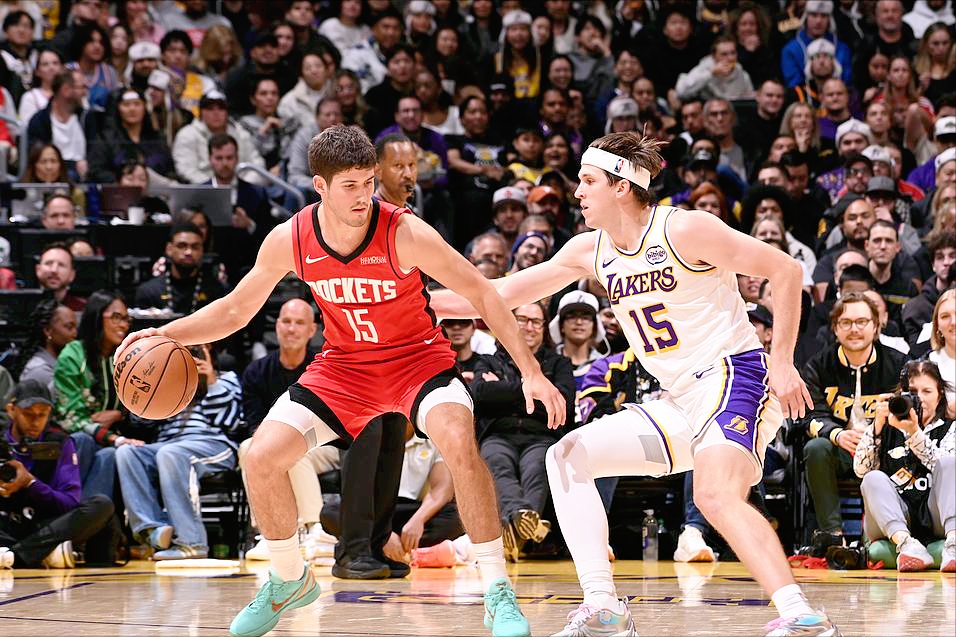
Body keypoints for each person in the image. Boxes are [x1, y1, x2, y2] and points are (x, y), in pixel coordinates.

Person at [119, 125, 565, 637]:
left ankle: (497, 590)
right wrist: (167, 333)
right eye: (349, 185)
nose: (363, 195)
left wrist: (531, 371)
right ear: (320, 186)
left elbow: (484, 294)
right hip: (345, 368)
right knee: (260, 457)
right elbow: (237, 310)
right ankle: (289, 579)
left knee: (460, 442)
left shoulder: (404, 232)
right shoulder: (292, 238)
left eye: (368, 182)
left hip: (417, 361)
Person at [432, 131, 839, 636]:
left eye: (588, 181)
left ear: (621, 186)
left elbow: (785, 269)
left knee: (715, 494)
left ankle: (802, 616)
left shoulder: (684, 229)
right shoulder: (589, 250)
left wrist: (782, 361)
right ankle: (604, 607)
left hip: (733, 376)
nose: (578, 192)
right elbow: (497, 294)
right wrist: (418, 301)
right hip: (678, 399)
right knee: (567, 456)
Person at [116, 344, 241, 560]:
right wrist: (146, 391)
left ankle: (192, 543)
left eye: (198, 351)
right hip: (168, 444)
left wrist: (210, 380)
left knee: (170, 454)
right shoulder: (168, 381)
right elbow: (142, 422)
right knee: (127, 452)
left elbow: (232, 423)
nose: (193, 357)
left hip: (212, 443)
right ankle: (152, 531)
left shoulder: (226, 378)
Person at [239, 299, 340, 563]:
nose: (291, 329)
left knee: (293, 450)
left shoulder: (324, 366)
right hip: (282, 442)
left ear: (312, 330)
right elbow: (255, 426)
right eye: (286, 321)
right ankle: (268, 532)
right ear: (276, 326)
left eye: (299, 323)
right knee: (248, 448)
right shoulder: (256, 371)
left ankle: (317, 530)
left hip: (330, 446)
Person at [0, 379, 115, 569]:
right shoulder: (2, 441)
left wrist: (30, 483)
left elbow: (69, 503)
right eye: (28, 414)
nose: (35, 421)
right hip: (6, 524)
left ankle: (16, 556)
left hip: (44, 527)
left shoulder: (60, 443)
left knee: (102, 505)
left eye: (42, 414)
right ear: (11, 410)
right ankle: (42, 554)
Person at [854, 360, 954, 572]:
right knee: (872, 478)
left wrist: (914, 433)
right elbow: (861, 470)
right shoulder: (886, 428)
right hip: (894, 516)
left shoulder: (951, 428)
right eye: (913, 392)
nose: (920, 398)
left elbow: (944, 468)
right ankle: (907, 545)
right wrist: (877, 427)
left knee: (950, 463)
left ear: (940, 395)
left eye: (927, 391)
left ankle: (953, 544)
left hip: (936, 515)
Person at [13, 300, 77, 393]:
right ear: (48, 330)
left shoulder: (62, 364)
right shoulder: (41, 372)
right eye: (69, 327)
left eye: (76, 327)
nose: (75, 333)